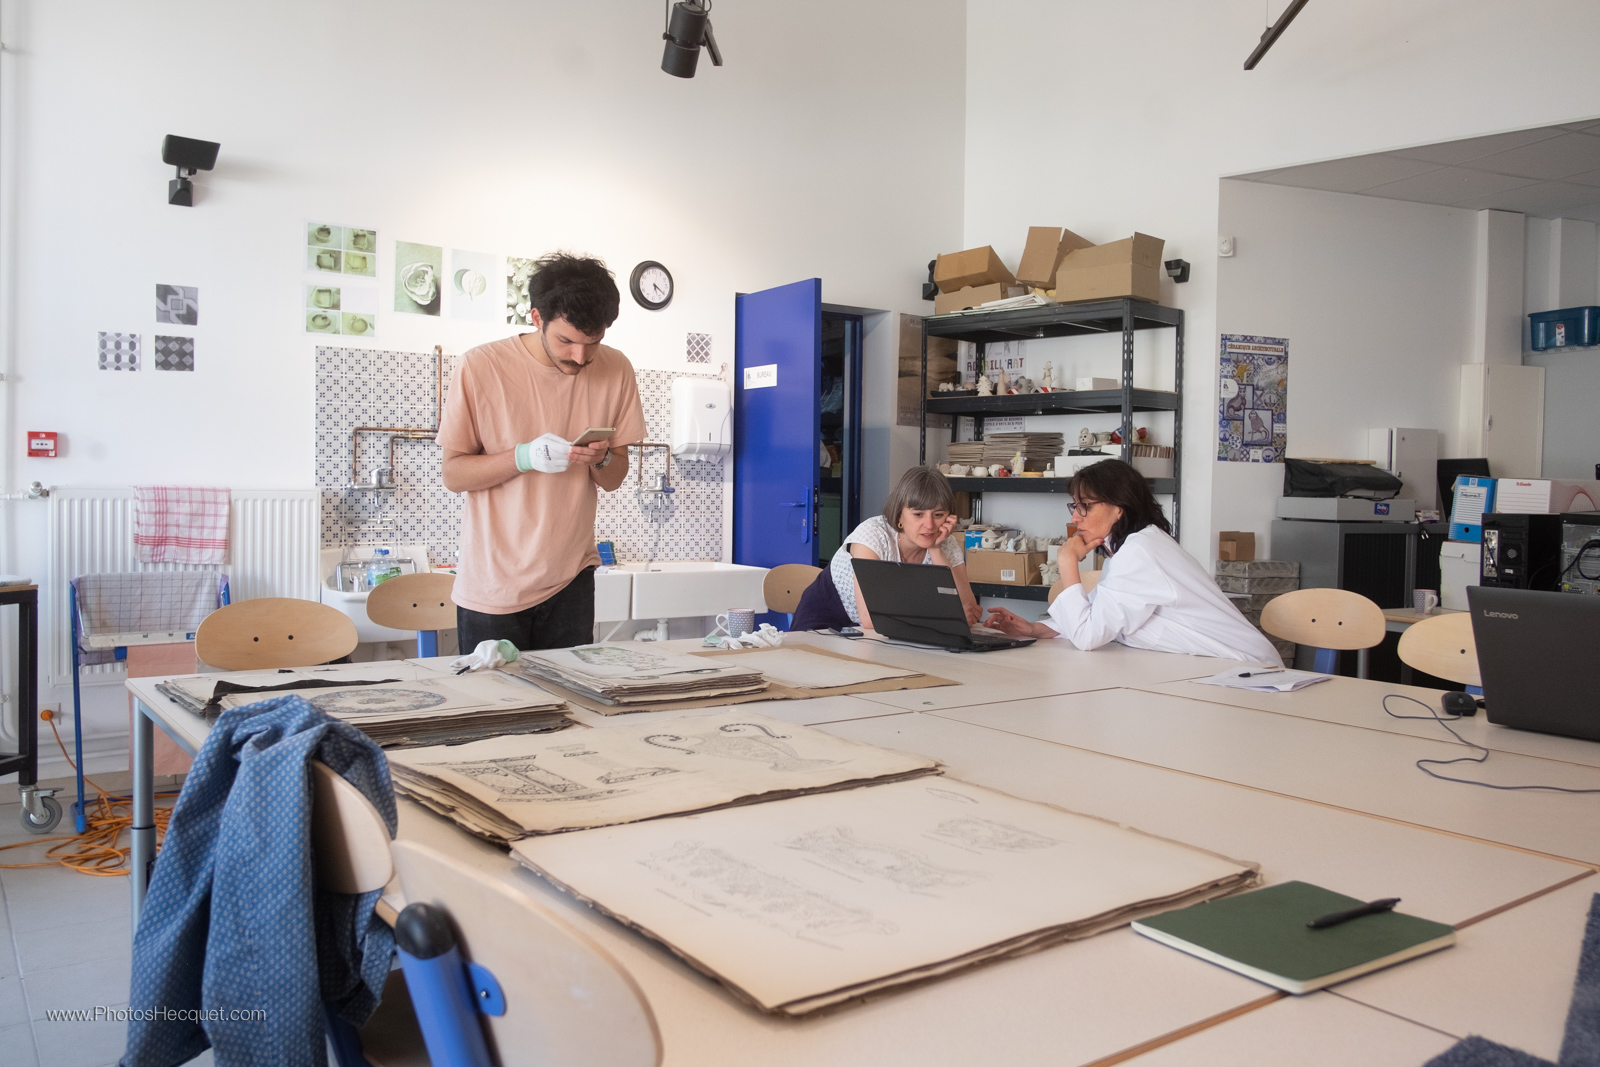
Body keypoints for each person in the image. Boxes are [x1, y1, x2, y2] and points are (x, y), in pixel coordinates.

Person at [437, 252, 646, 652]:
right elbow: (454, 475)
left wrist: (600, 459)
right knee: (498, 709)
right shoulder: (480, 367)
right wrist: (523, 457)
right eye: (566, 341)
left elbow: (616, 477)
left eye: (593, 343)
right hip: (493, 585)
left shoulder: (617, 369)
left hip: (571, 578)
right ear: (536, 318)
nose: (580, 357)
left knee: (571, 707)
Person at [983, 459, 1281, 664]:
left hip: (1245, 673)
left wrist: (1067, 562)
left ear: (1119, 508)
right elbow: (1099, 615)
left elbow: (1089, 636)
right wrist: (1035, 630)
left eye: (1085, 507)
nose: (1075, 517)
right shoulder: (1129, 549)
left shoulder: (1140, 551)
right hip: (1206, 668)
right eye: (1075, 506)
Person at [791, 466, 980, 631]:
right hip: (825, 622)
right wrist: (943, 618)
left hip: (886, 634)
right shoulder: (872, 534)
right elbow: (871, 618)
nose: (929, 525)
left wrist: (936, 550)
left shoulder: (945, 542)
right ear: (899, 515)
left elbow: (969, 609)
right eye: (918, 514)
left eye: (938, 514)